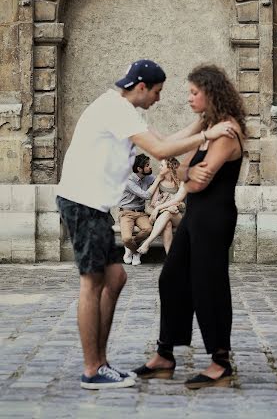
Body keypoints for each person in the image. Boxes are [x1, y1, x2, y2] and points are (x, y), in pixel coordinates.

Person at [56, 59, 237, 390]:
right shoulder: (118, 111)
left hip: (93, 207)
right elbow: (162, 150)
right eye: (157, 92)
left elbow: (167, 141)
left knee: (116, 278)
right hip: (82, 203)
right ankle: (93, 368)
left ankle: (103, 362)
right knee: (93, 283)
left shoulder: (122, 109)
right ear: (141, 88)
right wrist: (207, 133)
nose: (159, 98)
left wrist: (201, 127)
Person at [134, 64, 247, 389]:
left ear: (211, 93)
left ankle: (220, 363)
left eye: (194, 93)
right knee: (171, 279)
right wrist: (185, 171)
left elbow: (196, 180)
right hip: (197, 216)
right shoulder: (209, 127)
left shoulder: (227, 130)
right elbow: (180, 161)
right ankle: (165, 356)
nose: (189, 98)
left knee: (208, 286)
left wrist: (182, 172)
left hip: (214, 217)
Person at [118, 153, 166, 266]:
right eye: (147, 165)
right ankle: (135, 251)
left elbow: (162, 182)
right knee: (126, 239)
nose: (150, 167)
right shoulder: (128, 181)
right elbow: (145, 195)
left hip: (141, 213)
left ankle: (131, 249)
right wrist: (158, 178)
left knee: (148, 229)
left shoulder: (148, 177)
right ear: (139, 169)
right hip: (126, 213)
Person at [137, 157, 186, 256]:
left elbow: (179, 202)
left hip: (179, 216)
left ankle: (147, 242)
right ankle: (170, 257)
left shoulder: (181, 182)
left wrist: (162, 207)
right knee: (167, 224)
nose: (159, 167)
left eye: (161, 165)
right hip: (163, 216)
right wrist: (163, 206)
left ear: (169, 167)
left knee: (169, 212)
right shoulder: (159, 182)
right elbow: (153, 203)